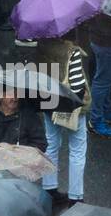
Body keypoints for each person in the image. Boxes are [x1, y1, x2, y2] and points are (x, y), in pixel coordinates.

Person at [37, 33, 89, 205]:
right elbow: (77, 85)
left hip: (48, 102)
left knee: (51, 145)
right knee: (77, 150)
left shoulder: (42, 46)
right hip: (70, 106)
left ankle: (49, 188)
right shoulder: (71, 51)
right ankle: (75, 197)